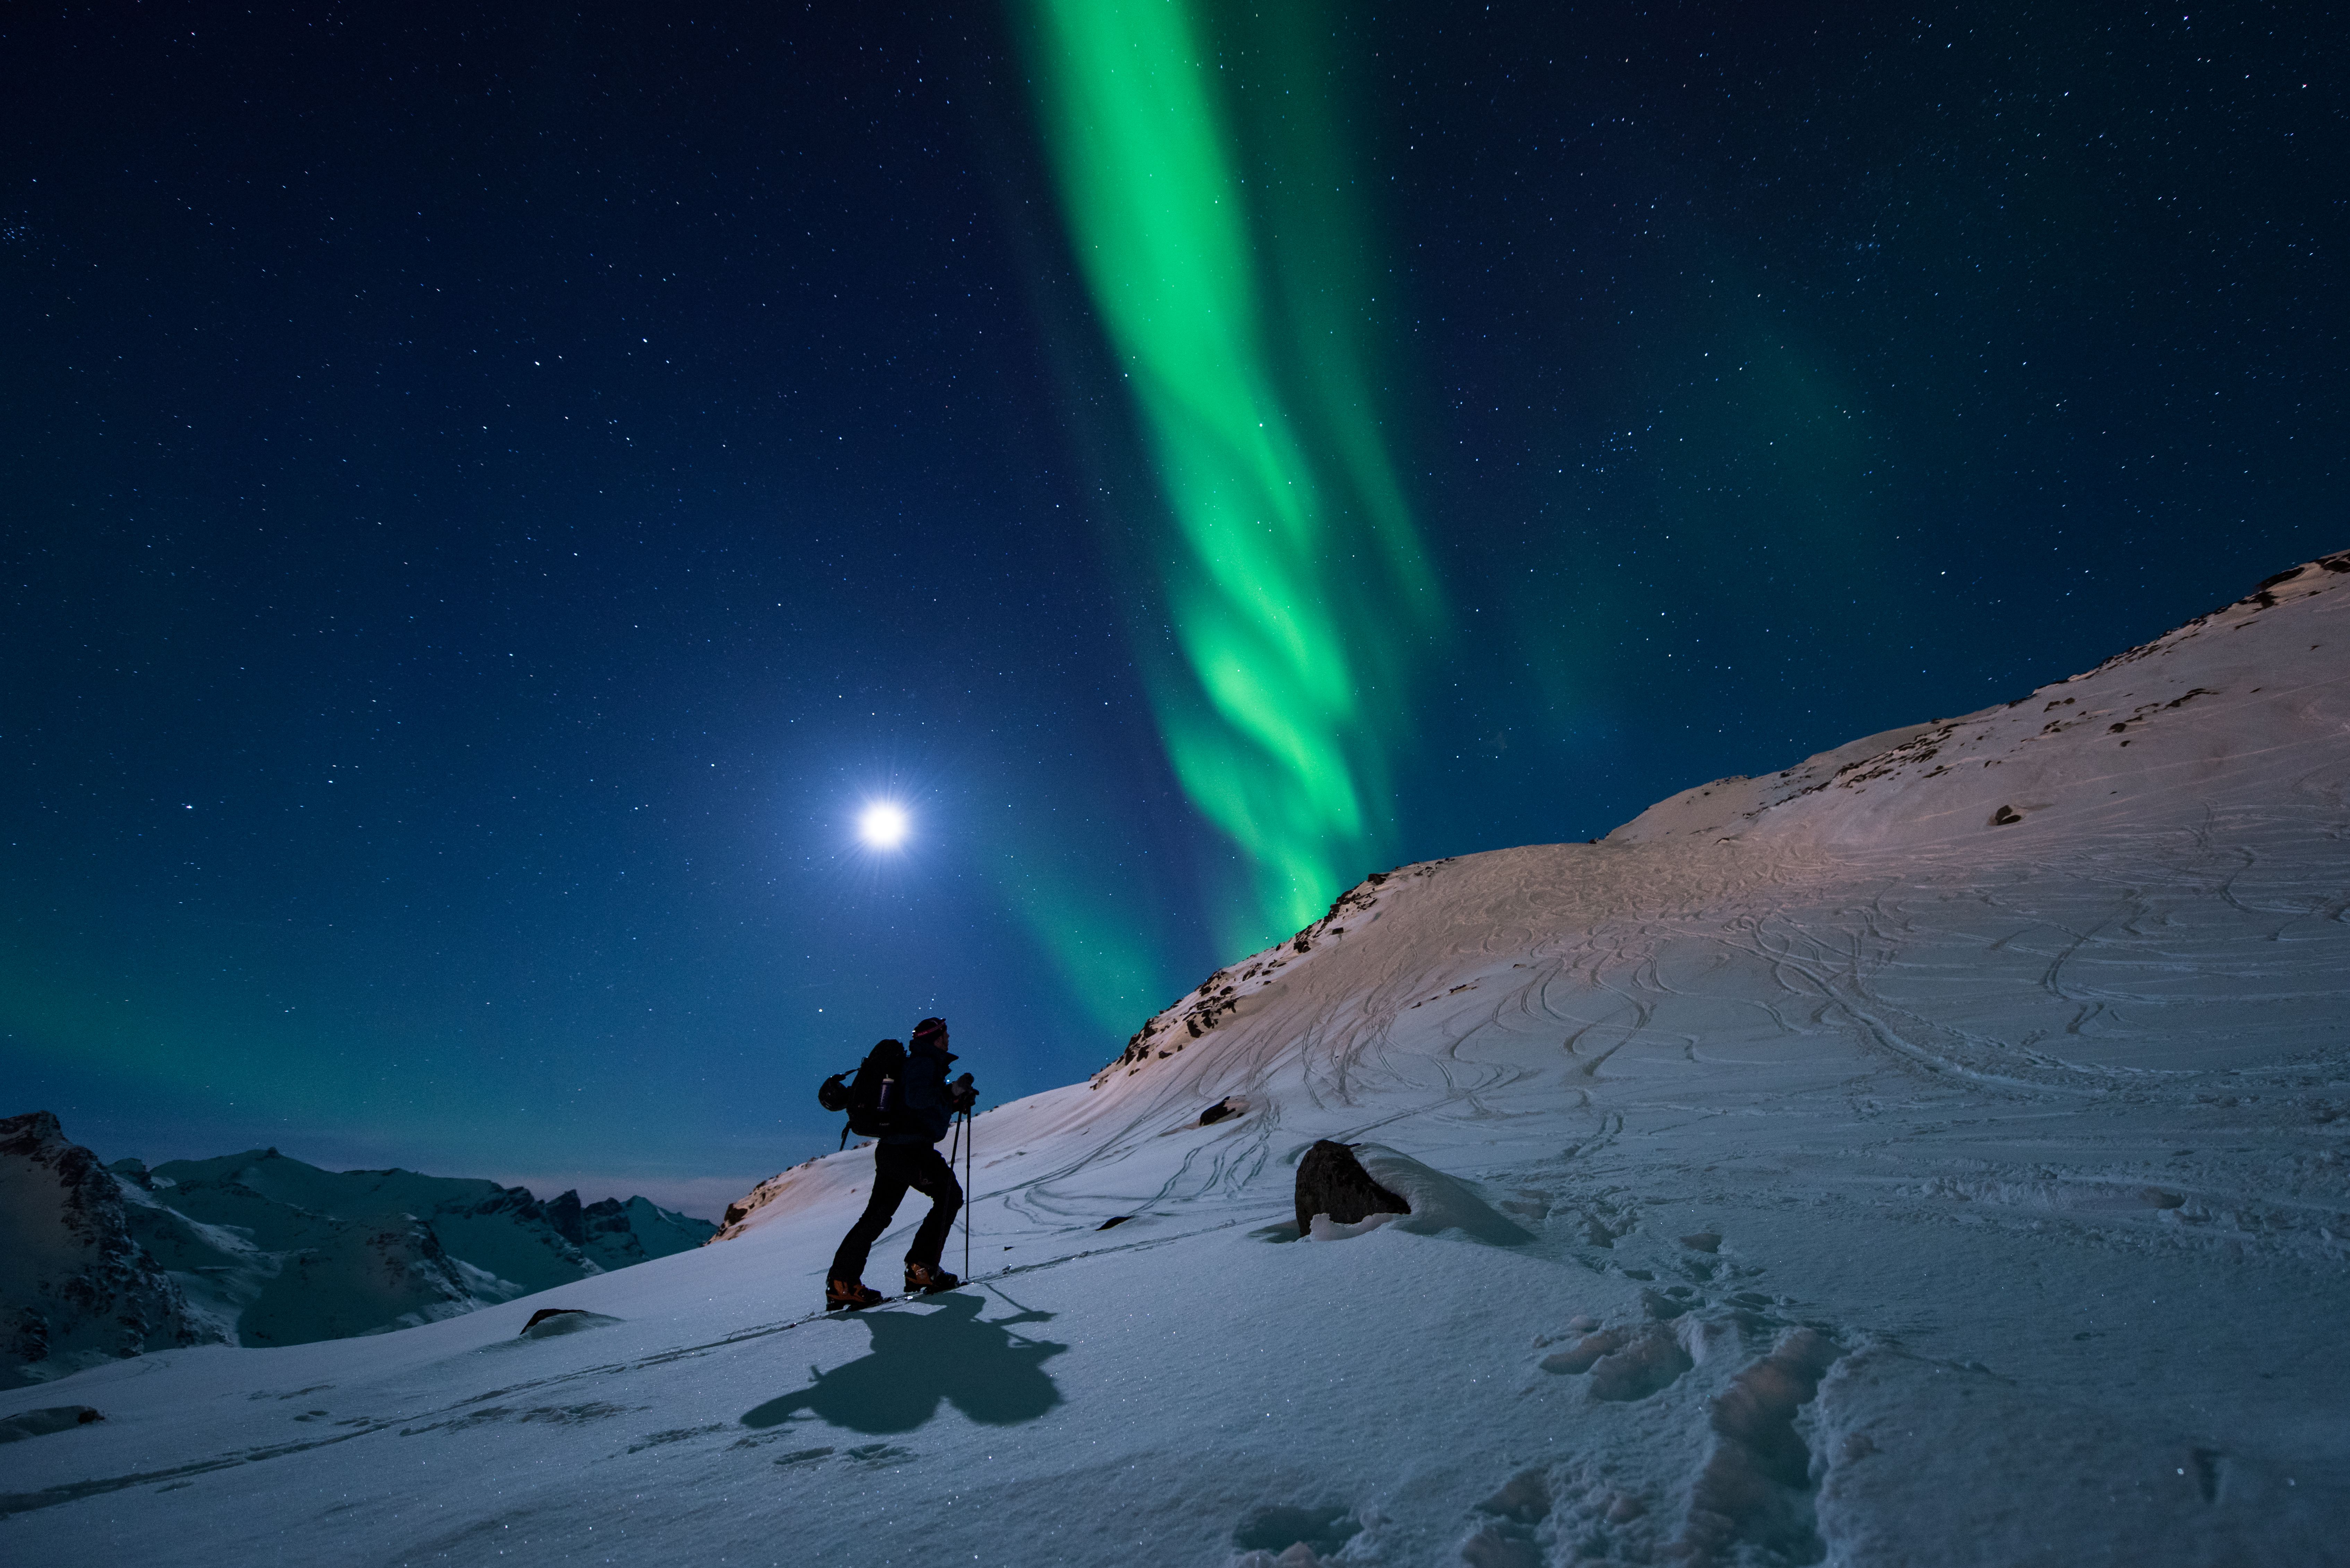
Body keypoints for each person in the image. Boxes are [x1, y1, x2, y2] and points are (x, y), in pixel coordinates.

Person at [826, 1016, 977, 1310]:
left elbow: (916, 1106)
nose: (949, 1038)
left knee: (877, 1216)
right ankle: (921, 1268)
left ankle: (843, 1283)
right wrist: (952, 1093)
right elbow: (918, 1098)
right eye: (945, 1034)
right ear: (936, 1038)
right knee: (949, 1195)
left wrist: (954, 1101)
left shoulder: (921, 1063)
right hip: (910, 1150)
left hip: (894, 1150)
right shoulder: (924, 1063)